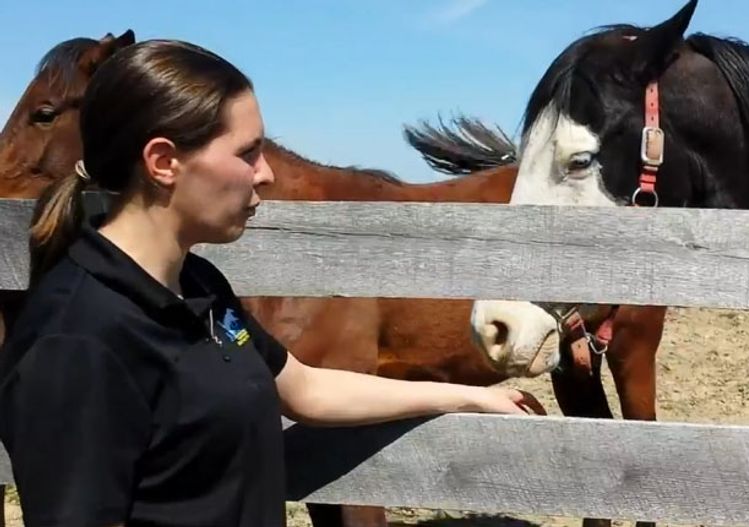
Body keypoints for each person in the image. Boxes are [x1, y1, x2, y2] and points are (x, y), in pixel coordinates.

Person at [0, 39, 534, 527]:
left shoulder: (198, 285)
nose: (267, 174)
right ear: (163, 162)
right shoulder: (74, 341)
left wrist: (467, 397)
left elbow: (306, 388)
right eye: (246, 152)